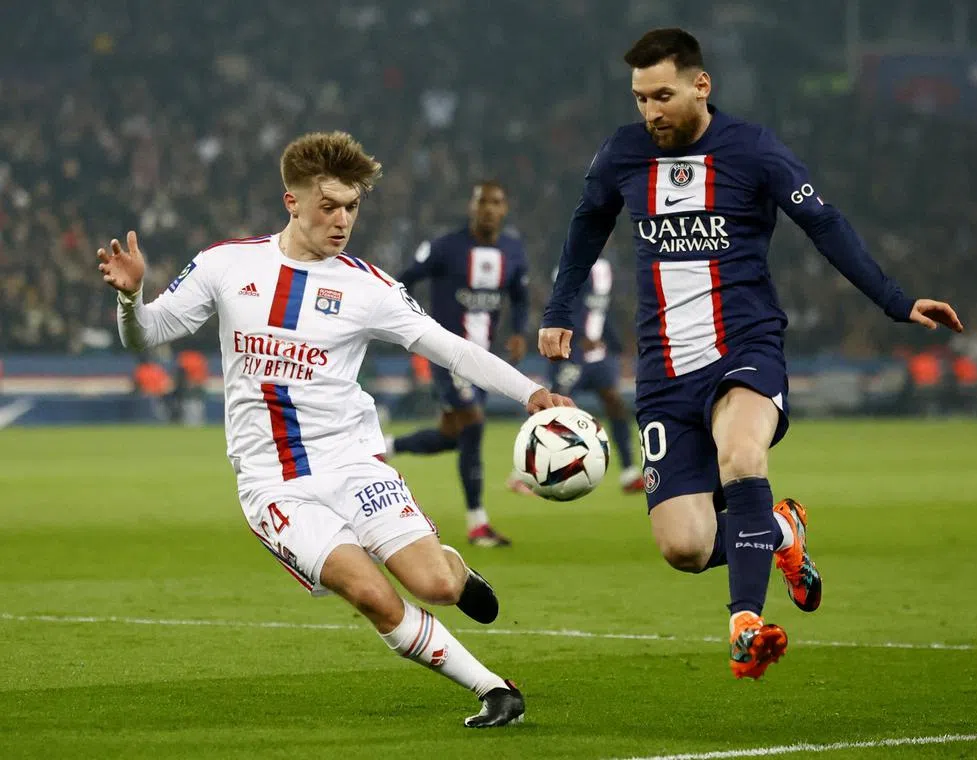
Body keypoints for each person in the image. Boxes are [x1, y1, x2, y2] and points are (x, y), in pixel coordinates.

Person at [97, 131, 573, 727]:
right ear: (291, 201)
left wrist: (530, 391)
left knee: (435, 586)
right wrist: (132, 296)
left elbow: (450, 348)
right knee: (371, 594)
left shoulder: (368, 287)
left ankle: (454, 566)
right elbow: (145, 335)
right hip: (274, 483)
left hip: (351, 463)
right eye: (329, 206)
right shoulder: (227, 265)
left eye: (351, 206)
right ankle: (493, 690)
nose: (342, 219)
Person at [538, 29, 963, 680]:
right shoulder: (623, 155)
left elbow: (824, 223)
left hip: (744, 347)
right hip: (662, 370)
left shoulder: (752, 149)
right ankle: (781, 530)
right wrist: (560, 307)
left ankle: (745, 623)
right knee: (684, 546)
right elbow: (587, 221)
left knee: (741, 455)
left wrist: (895, 300)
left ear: (700, 85)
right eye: (640, 98)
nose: (650, 111)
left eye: (663, 95)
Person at [386, 181, 530, 547]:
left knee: (451, 436)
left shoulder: (512, 250)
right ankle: (478, 524)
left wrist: (517, 331)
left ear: (505, 208)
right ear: (471, 206)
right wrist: (412, 324)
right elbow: (403, 281)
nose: (488, 208)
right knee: (474, 424)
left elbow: (521, 295)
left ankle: (385, 447)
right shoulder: (445, 247)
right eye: (482, 201)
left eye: (496, 202)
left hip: (484, 358)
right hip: (448, 355)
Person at [508, 255, 644, 495]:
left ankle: (629, 473)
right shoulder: (568, 265)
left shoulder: (607, 268)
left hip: (599, 354)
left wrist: (616, 347)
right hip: (570, 352)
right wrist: (580, 336)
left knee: (615, 403)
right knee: (551, 408)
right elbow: (562, 304)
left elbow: (603, 310)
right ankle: (521, 474)